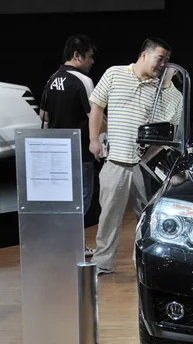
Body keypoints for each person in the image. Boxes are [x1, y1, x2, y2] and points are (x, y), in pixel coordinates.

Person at [88, 37, 183, 275]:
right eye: (160, 59)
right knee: (109, 215)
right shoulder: (114, 74)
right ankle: (103, 263)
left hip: (146, 166)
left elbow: (172, 126)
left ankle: (147, 264)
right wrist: (93, 139)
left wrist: (168, 85)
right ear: (144, 55)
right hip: (116, 161)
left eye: (167, 61)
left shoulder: (166, 91)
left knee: (150, 218)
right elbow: (97, 107)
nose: (163, 65)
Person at [39, 34, 105, 257]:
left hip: (55, 153)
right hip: (79, 153)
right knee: (82, 201)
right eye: (90, 57)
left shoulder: (51, 79)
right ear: (77, 56)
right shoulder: (83, 81)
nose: (92, 61)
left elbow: (44, 115)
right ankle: (73, 246)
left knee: (62, 201)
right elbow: (93, 117)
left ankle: (62, 245)